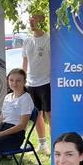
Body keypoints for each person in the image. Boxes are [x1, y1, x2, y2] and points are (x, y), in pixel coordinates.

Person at [0, 68, 34, 158]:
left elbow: (22, 125)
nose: (14, 83)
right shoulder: (7, 97)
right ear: (8, 81)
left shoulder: (25, 98)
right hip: (2, 128)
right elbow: (3, 116)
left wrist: (0, 134)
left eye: (18, 81)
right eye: (11, 80)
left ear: (24, 82)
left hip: (15, 135)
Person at [22, 13, 51, 155]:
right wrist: (22, 80)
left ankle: (55, 146)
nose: (31, 21)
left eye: (34, 19)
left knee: (49, 115)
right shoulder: (27, 41)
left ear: (42, 20)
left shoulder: (49, 40)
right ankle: (42, 144)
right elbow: (25, 62)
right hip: (31, 84)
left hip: (46, 82)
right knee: (36, 115)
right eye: (30, 19)